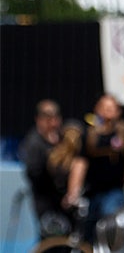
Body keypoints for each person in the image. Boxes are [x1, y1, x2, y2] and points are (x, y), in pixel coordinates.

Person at [80, 93, 124, 241]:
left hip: (115, 191)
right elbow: (80, 162)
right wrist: (73, 191)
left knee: (109, 228)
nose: (107, 112)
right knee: (89, 233)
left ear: (118, 112)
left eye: (111, 108)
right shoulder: (89, 134)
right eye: (103, 108)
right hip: (92, 193)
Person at [19, 100, 70, 237]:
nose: (53, 124)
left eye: (56, 118)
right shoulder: (34, 143)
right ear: (39, 120)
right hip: (45, 200)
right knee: (50, 237)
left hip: (66, 199)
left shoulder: (64, 138)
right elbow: (34, 173)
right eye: (48, 119)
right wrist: (50, 158)